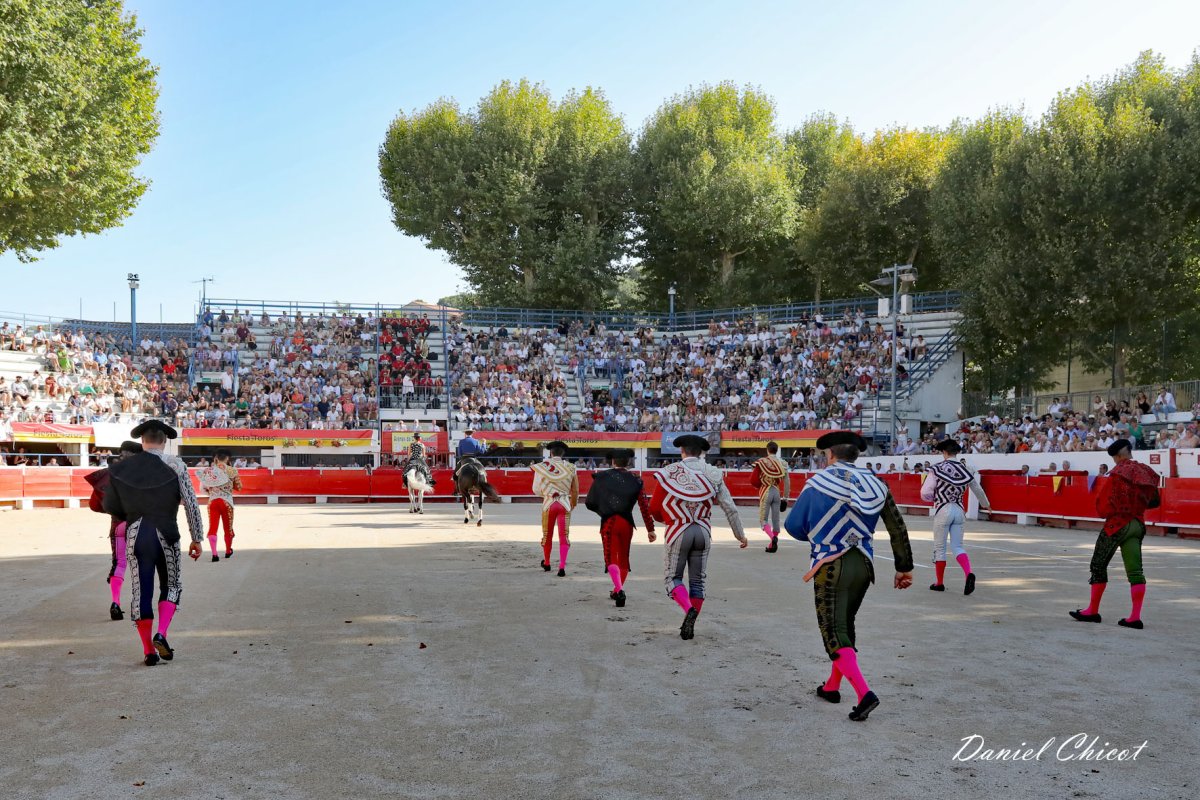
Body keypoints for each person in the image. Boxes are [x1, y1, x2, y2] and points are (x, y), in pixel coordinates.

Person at [783, 431, 914, 722]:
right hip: (864, 564)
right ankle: (832, 686)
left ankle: (865, 693)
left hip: (830, 564)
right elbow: (897, 528)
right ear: (857, 455)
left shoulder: (818, 483)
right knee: (845, 623)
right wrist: (904, 567)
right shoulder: (877, 485)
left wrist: (819, 535)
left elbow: (793, 526)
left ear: (829, 455)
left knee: (833, 630)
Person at [103, 420, 205, 666]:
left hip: (137, 534)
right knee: (171, 584)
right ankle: (163, 633)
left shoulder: (123, 468)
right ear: (164, 441)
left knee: (141, 590)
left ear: (142, 441)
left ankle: (149, 650)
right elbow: (191, 503)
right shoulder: (176, 464)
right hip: (167, 533)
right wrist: (197, 538)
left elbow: (110, 507)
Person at [649, 434, 748, 641]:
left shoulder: (670, 473)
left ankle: (688, 610)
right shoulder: (713, 473)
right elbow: (729, 507)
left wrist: (667, 520)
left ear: (681, 451)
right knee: (698, 581)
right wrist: (740, 535)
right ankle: (692, 618)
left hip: (678, 530)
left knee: (672, 577)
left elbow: (655, 508)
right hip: (703, 530)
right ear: (702, 452)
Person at [1070, 439, 1159, 629]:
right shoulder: (1146, 472)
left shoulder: (1117, 475)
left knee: (1098, 565)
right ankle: (1135, 617)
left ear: (1118, 456)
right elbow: (1154, 502)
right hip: (1137, 524)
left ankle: (1092, 611)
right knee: (1135, 571)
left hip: (1117, 525)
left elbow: (1103, 506)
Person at [584, 449, 656, 607]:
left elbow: (590, 502)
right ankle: (617, 590)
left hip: (609, 522)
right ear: (628, 462)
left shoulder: (602, 477)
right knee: (623, 558)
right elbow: (644, 506)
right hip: (627, 523)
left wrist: (604, 511)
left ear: (612, 462)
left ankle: (619, 589)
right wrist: (650, 529)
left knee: (611, 557)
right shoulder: (636, 480)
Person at [920, 440, 990, 595]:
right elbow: (977, 489)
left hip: (943, 509)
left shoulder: (936, 469)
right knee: (958, 546)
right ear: (956, 453)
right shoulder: (966, 469)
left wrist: (935, 497)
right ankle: (968, 573)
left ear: (944, 452)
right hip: (959, 510)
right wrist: (986, 504)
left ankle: (939, 583)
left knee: (940, 548)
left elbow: (925, 492)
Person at [85, 440, 143, 620]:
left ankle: (116, 602)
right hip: (139, 525)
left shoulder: (108, 475)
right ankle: (140, 603)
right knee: (142, 564)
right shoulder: (144, 474)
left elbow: (94, 505)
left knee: (120, 563)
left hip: (118, 525)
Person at [531, 441, 578, 576]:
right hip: (564, 503)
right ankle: (562, 567)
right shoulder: (571, 467)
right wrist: (572, 504)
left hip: (548, 504)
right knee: (564, 536)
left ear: (551, 453)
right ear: (563, 453)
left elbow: (535, 489)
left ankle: (547, 563)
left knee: (547, 535)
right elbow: (575, 490)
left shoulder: (542, 467)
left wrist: (546, 495)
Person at [197, 448, 242, 561]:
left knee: (213, 528)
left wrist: (211, 491)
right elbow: (239, 487)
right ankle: (227, 551)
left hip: (213, 502)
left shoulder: (208, 471)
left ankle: (215, 554)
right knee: (228, 528)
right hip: (227, 502)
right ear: (227, 458)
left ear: (215, 458)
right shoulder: (232, 470)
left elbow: (202, 489)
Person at [751, 441, 791, 553]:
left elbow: (753, 480)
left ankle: (773, 538)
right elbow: (787, 482)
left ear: (767, 450)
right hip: (777, 493)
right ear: (777, 450)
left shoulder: (762, 462)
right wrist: (785, 498)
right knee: (776, 519)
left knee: (763, 520)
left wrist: (761, 484)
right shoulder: (782, 463)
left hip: (766, 492)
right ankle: (771, 545)